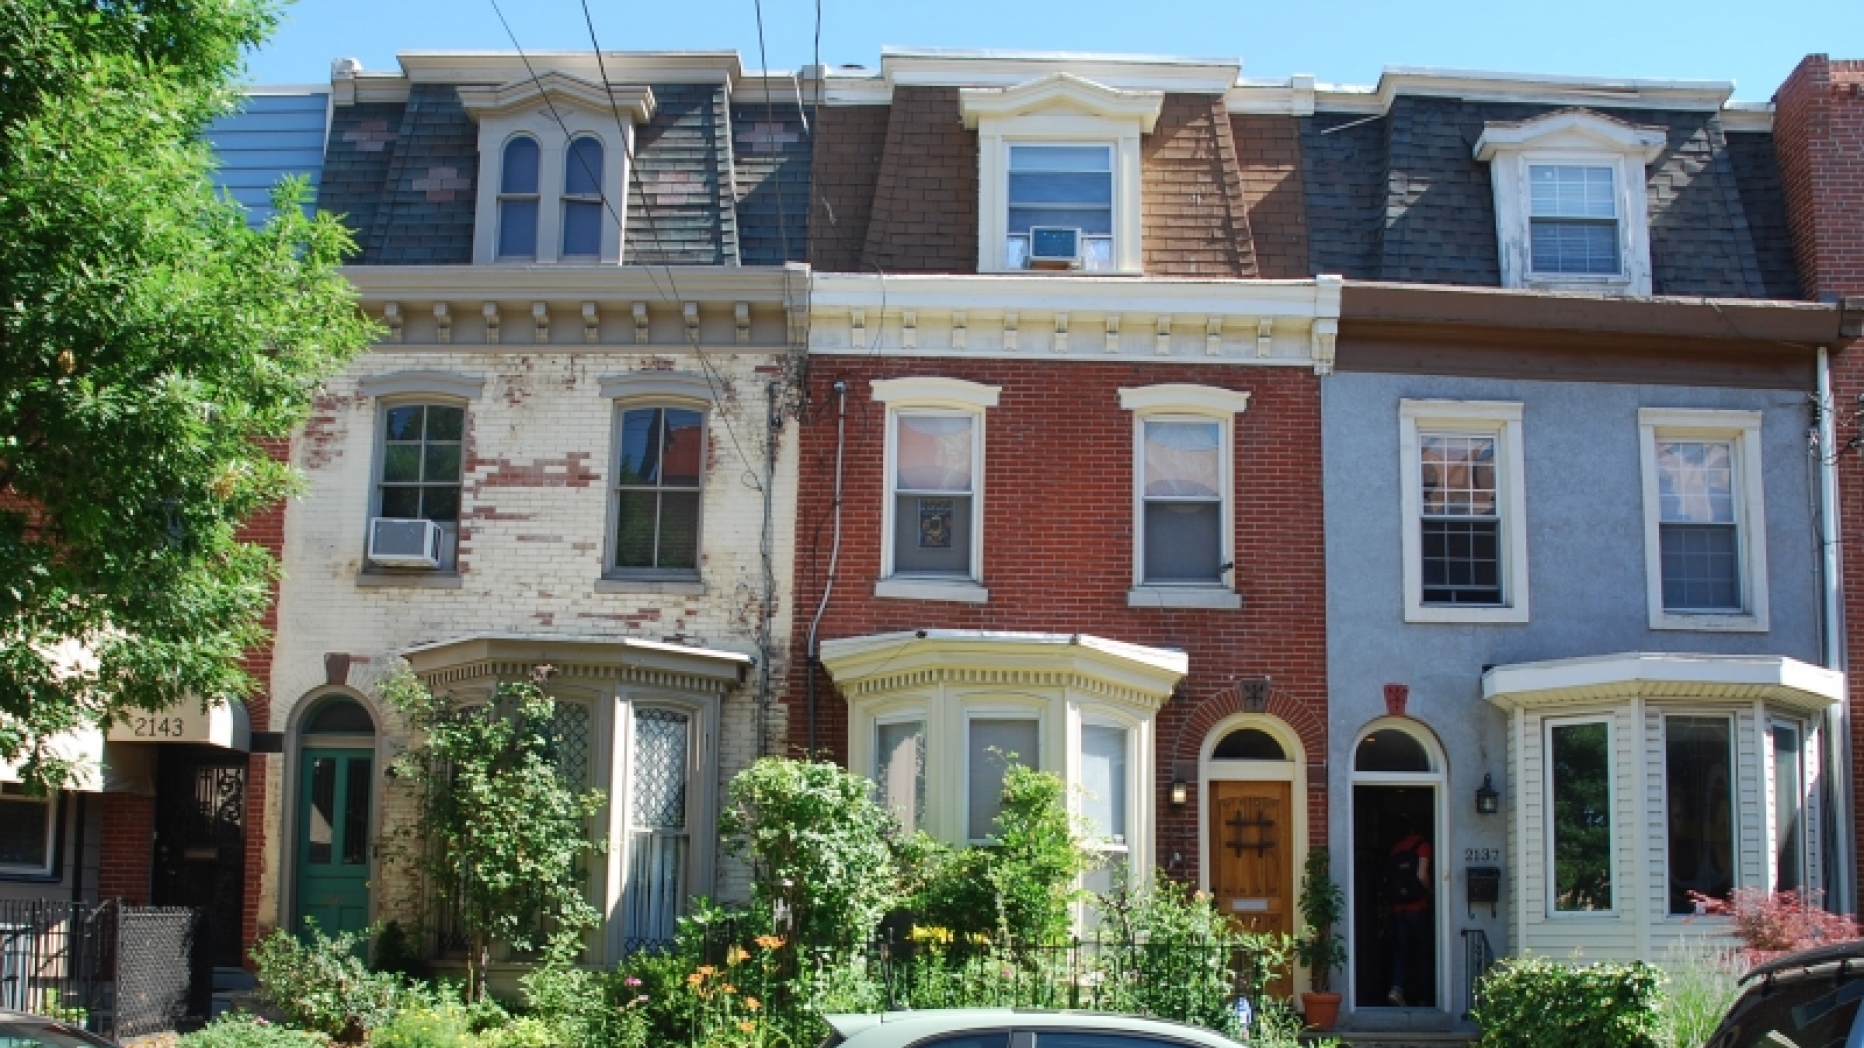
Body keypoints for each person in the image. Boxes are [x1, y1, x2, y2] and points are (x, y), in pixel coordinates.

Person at [1383, 820, 1432, 1007]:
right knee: (1423, 952)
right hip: (1418, 908)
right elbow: (1421, 874)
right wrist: (1430, 890)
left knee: (1401, 951)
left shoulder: (1396, 849)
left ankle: (1397, 988)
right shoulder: (1423, 846)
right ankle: (1424, 997)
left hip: (1398, 909)